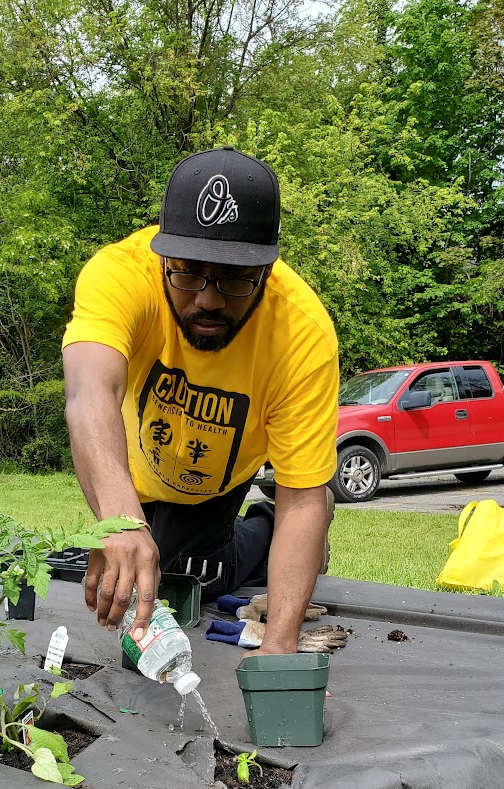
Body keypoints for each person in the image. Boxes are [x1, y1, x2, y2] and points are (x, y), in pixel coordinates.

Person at [62, 147, 338, 653]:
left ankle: (264, 523)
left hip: (219, 479)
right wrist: (119, 522)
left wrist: (280, 645)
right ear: (161, 255)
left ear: (266, 271)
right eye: (188, 272)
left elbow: (300, 495)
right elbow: (88, 392)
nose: (208, 299)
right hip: (136, 471)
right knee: (133, 570)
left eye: (234, 280)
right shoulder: (119, 274)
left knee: (196, 573)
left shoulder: (302, 332)